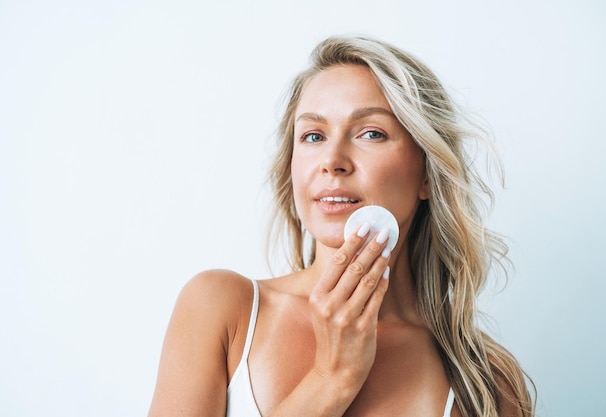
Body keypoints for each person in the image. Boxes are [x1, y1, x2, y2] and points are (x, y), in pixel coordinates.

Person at [147, 35, 534, 417]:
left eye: (371, 133)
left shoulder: (487, 383)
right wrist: (332, 377)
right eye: (313, 136)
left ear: (428, 174)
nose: (332, 161)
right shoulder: (221, 309)